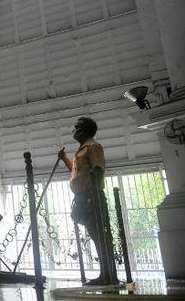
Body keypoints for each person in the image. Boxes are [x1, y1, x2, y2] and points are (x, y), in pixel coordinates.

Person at [58, 116, 113, 285]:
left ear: (85, 130)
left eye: (76, 127)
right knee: (95, 235)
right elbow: (77, 171)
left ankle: (107, 275)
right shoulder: (81, 150)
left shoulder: (93, 147)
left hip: (91, 196)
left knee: (99, 236)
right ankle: (105, 274)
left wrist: (92, 197)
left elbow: (97, 171)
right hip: (83, 197)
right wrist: (64, 158)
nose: (73, 130)